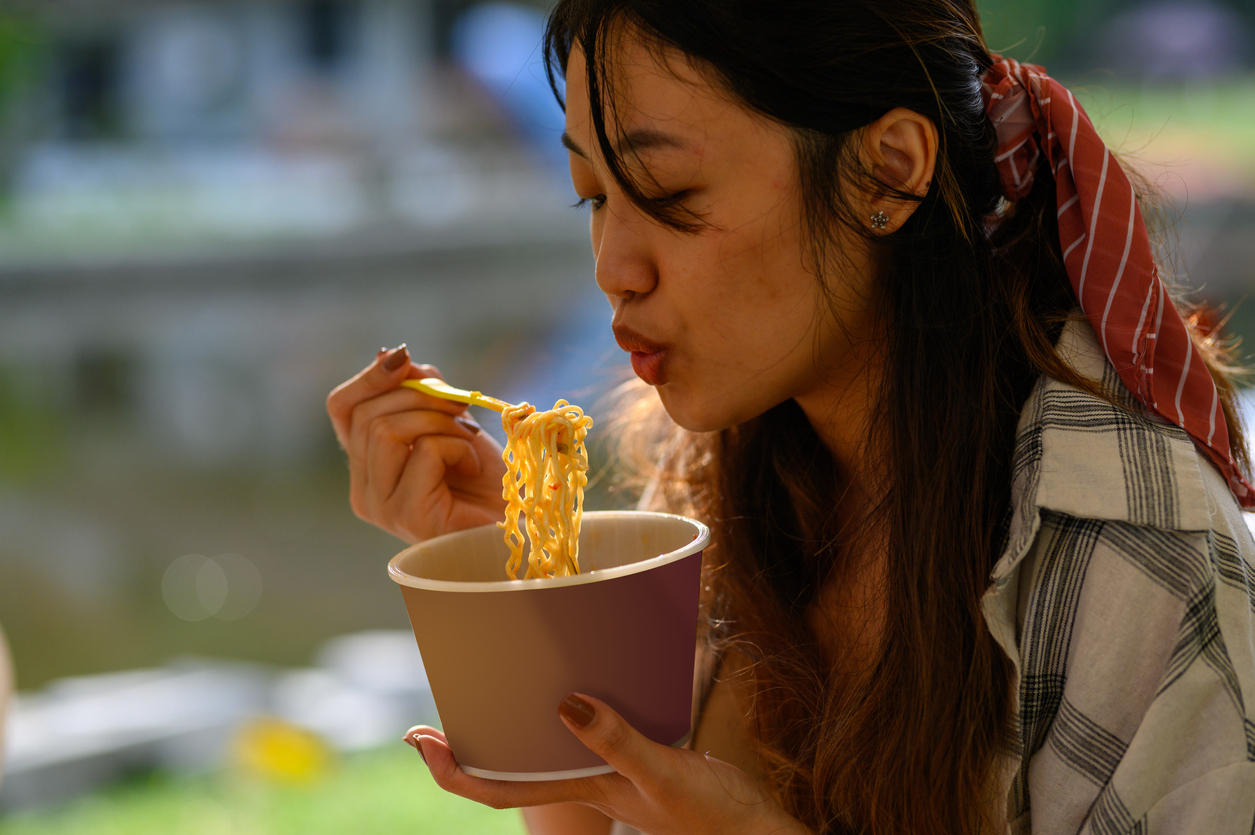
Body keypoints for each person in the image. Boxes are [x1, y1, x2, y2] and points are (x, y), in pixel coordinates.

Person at [326, 1, 1255, 832]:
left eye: (668, 196)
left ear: (885, 174)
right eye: (595, 198)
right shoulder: (711, 468)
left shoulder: (1129, 545)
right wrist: (529, 582)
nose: (613, 266)